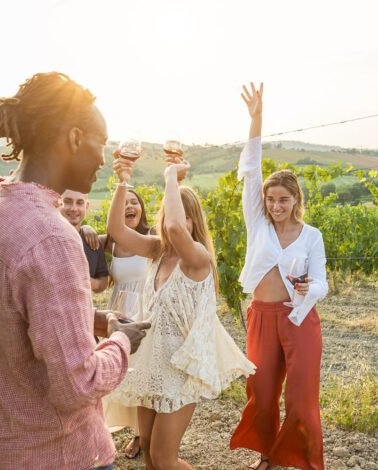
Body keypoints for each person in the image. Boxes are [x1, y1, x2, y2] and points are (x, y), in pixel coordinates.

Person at [0, 72, 151, 470]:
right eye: (101, 144)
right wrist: (122, 341)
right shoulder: (52, 237)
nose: (103, 158)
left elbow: (7, 314)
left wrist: (90, 319)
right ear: (75, 138)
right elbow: (77, 386)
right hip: (59, 453)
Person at [106, 152, 256, 470]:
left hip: (180, 369)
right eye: (173, 215)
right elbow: (117, 231)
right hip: (151, 362)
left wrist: (171, 175)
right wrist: (122, 182)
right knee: (148, 452)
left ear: (194, 222)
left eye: (186, 217)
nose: (177, 223)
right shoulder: (156, 250)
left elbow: (175, 229)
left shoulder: (197, 258)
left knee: (164, 458)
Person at [229, 83, 328, 470]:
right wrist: (256, 118)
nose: (275, 206)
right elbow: (252, 170)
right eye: (271, 200)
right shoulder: (258, 224)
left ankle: (304, 460)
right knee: (263, 394)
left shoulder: (312, 236)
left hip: (299, 318)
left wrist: (308, 288)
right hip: (261, 317)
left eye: (283, 200)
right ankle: (269, 455)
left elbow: (322, 283)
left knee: (302, 399)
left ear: (296, 200)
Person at [81, 188, 152, 459]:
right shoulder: (109, 243)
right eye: (124, 204)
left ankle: (141, 435)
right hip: (121, 309)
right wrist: (86, 226)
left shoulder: (152, 237)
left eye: (135, 202)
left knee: (144, 371)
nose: (130, 207)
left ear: (142, 208)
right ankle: (134, 429)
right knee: (125, 372)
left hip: (147, 309)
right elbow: (81, 241)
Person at [59, 189, 109, 293]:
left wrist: (89, 282)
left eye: (80, 203)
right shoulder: (46, 241)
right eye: (67, 201)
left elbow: (103, 279)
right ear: (58, 203)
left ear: (86, 206)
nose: (74, 208)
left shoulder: (93, 242)